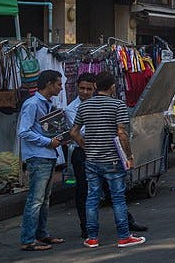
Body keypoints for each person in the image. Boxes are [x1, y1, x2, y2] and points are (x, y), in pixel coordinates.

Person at [69, 72, 145, 249]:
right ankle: (124, 236)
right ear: (112, 87)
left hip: (91, 160)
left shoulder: (84, 106)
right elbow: (122, 133)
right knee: (118, 198)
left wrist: (86, 147)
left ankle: (92, 238)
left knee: (92, 198)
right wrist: (129, 156)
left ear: (95, 87)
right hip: (112, 159)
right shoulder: (118, 105)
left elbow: (74, 132)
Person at [18, 70, 67, 252]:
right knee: (36, 200)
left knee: (44, 199)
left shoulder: (48, 104)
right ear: (48, 83)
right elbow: (23, 131)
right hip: (38, 156)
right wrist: (48, 142)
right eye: (58, 84)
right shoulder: (32, 104)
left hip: (47, 155)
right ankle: (28, 239)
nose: (61, 88)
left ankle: (41, 234)